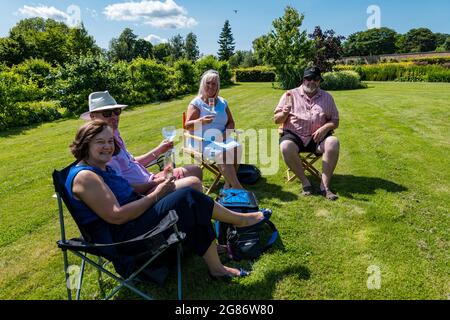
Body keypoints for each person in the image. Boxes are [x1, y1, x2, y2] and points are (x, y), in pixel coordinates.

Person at [66, 120, 272, 279]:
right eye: (100, 142)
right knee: (188, 196)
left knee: (189, 201)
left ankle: (217, 268)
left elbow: (130, 188)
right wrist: (157, 194)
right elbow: (117, 217)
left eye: (110, 141)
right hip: (127, 238)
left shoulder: (102, 166)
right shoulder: (85, 177)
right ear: (85, 144)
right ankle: (241, 221)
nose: (108, 147)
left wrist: (158, 182)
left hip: (136, 218)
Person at [81, 91, 203, 195]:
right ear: (93, 116)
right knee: (193, 182)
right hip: (143, 193)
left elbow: (131, 162)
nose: (114, 116)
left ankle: (192, 213)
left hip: (150, 179)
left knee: (195, 170)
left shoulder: (114, 134)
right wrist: (158, 182)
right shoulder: (102, 149)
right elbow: (124, 187)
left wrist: (159, 150)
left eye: (117, 111)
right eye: (107, 113)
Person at [274, 66, 340, 200]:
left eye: (315, 79)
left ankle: (325, 186)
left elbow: (335, 121)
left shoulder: (327, 97)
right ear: (303, 80)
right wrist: (284, 113)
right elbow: (276, 120)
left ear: (319, 81)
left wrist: (325, 128)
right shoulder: (289, 95)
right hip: (294, 136)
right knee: (286, 146)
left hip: (318, 138)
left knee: (333, 142)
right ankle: (306, 183)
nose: (311, 82)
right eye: (308, 78)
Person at [185, 70, 243, 189]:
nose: (211, 86)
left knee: (237, 148)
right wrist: (201, 121)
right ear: (203, 84)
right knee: (223, 153)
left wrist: (226, 134)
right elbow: (187, 126)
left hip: (222, 138)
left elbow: (231, 122)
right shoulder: (196, 103)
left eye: (214, 84)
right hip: (202, 141)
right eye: (208, 83)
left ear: (218, 86)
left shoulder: (222, 102)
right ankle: (239, 189)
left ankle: (228, 184)